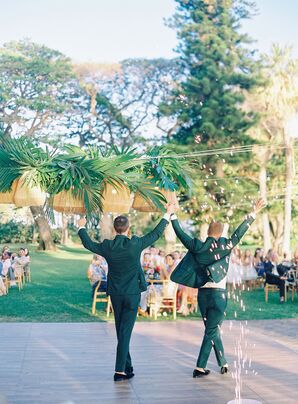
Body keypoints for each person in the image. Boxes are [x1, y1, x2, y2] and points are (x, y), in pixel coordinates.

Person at [170, 198, 266, 378]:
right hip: (219, 296)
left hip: (203, 296)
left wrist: (173, 215)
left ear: (207, 232)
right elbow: (239, 233)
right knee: (212, 330)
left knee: (212, 330)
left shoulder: (198, 245)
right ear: (221, 233)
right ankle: (199, 367)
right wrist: (253, 212)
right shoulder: (226, 245)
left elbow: (180, 233)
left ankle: (223, 362)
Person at [78, 205, 173, 381]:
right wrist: (167, 214)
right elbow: (155, 234)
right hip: (132, 294)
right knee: (124, 332)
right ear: (128, 228)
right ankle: (119, 371)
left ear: (115, 229)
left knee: (122, 331)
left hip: (116, 293)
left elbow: (88, 244)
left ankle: (127, 368)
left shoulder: (108, 246)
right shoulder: (135, 244)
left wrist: (81, 226)